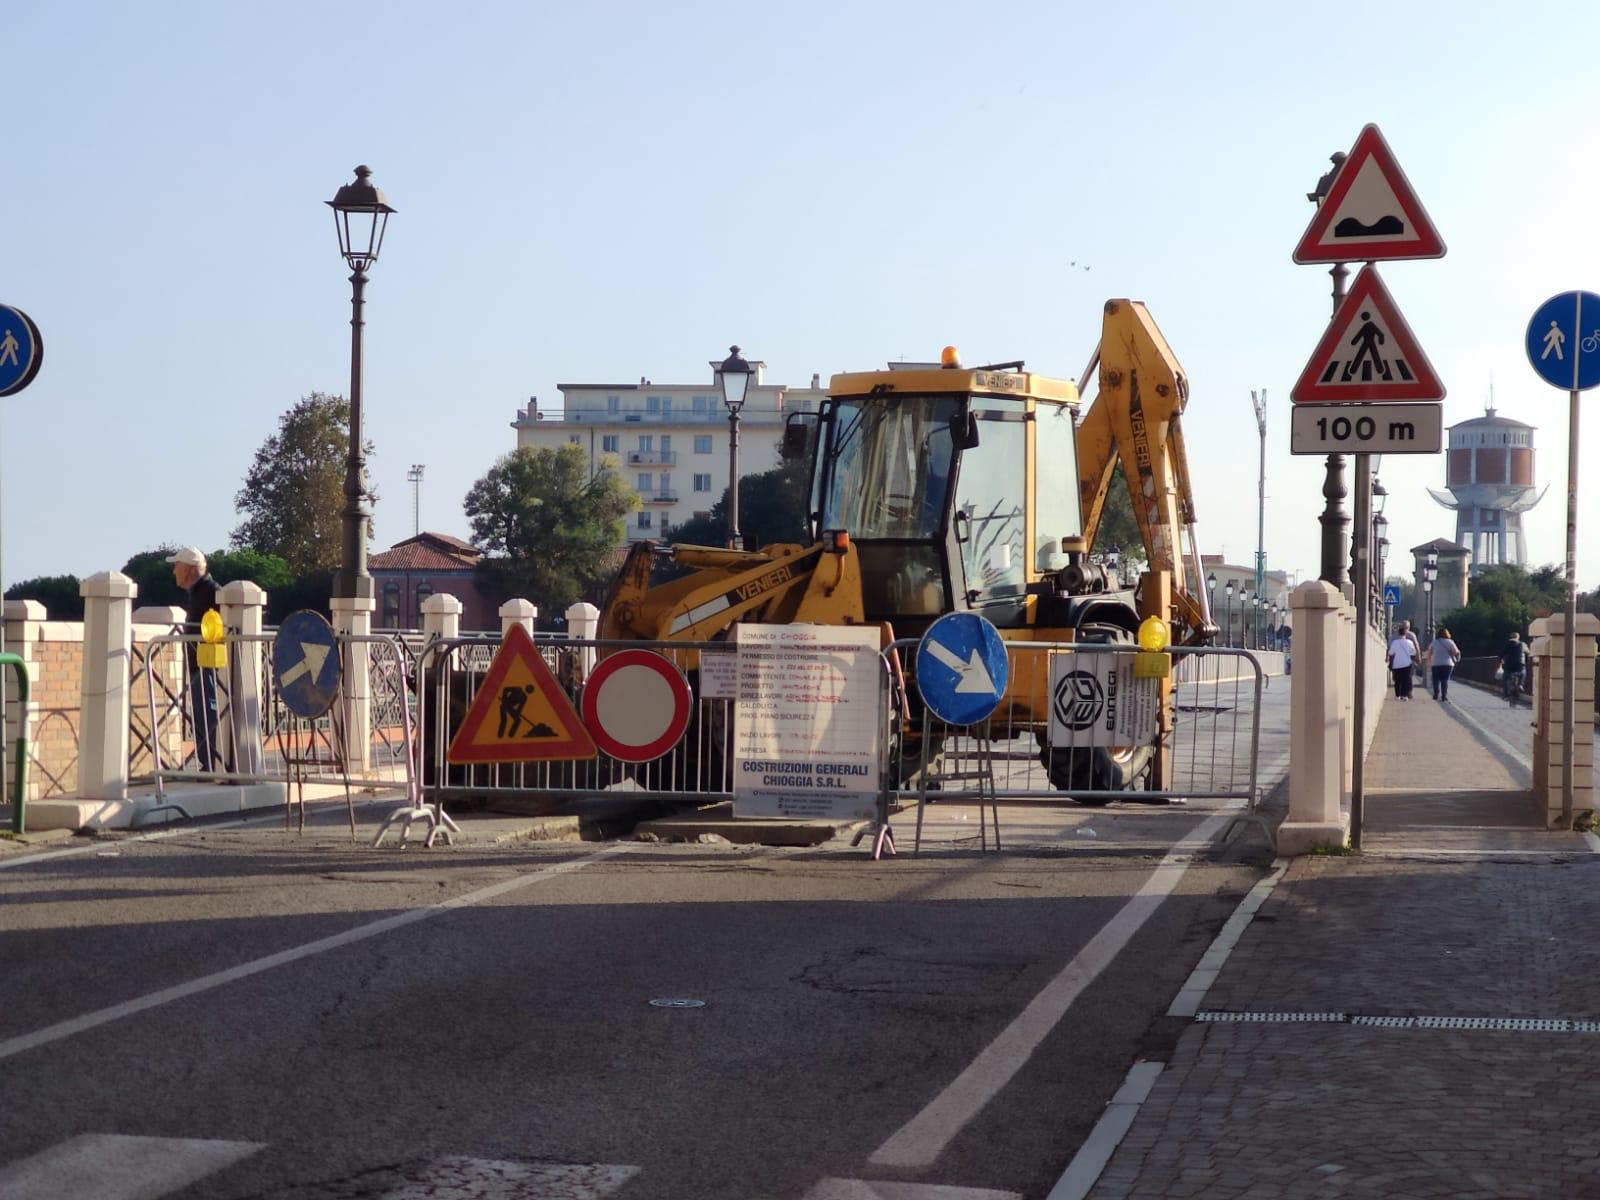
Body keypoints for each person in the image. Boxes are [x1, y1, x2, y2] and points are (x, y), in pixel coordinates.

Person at [168, 547, 221, 771]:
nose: (173, 571)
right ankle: (207, 763)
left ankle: (212, 762)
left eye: (176, 566)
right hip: (199, 665)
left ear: (188, 570)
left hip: (208, 665)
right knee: (201, 714)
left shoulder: (212, 591)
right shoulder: (199, 592)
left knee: (208, 713)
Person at [1429, 626, 1461, 701]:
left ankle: (1436, 694)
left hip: (1436, 663)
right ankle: (1444, 696)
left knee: (1435, 680)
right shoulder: (1450, 642)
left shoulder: (1434, 642)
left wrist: (1429, 661)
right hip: (1447, 664)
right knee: (1445, 680)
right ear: (1447, 634)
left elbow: (1430, 653)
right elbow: (1456, 652)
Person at [1387, 623, 1417, 701]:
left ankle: (1397, 695)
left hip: (1397, 664)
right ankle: (1404, 696)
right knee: (1405, 680)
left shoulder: (1395, 642)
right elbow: (1414, 652)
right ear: (1405, 634)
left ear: (1398, 634)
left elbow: (1390, 653)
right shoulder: (1409, 642)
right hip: (1407, 664)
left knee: (1397, 680)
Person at [1500, 631, 1527, 703]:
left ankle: (1506, 696)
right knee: (1524, 672)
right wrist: (1525, 662)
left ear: (1511, 637)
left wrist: (1501, 660)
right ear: (1518, 637)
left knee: (1505, 679)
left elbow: (1501, 654)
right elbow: (1527, 653)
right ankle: (1521, 684)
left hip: (1509, 667)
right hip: (1520, 667)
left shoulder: (1507, 644)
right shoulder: (1523, 644)